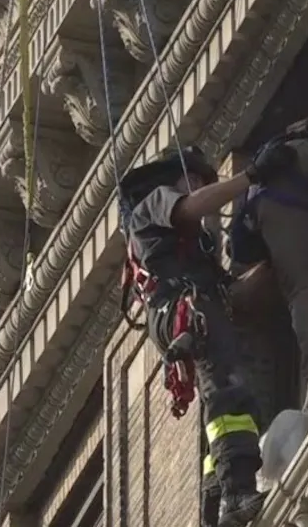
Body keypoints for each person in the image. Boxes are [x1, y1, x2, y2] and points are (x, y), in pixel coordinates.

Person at [117, 143, 298, 527]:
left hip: (192, 310)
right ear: (176, 177)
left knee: (224, 390)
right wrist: (251, 175)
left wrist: (283, 259)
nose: (199, 187)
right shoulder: (155, 201)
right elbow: (190, 207)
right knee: (228, 388)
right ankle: (236, 492)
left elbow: (235, 294)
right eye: (195, 179)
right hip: (181, 309)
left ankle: (215, 498)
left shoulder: (194, 253)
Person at [227, 118, 308, 413]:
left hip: (283, 185)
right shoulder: (255, 236)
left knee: (302, 289)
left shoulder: (252, 254)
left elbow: (296, 284)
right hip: (296, 166)